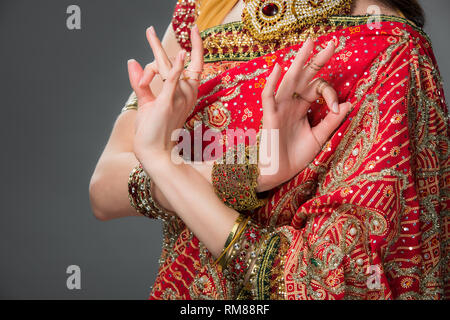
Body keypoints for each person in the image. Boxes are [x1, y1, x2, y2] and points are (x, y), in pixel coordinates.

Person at [89, 0, 449, 300]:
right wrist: (248, 172)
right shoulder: (204, 10)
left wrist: (166, 166)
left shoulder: (389, 47)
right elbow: (103, 187)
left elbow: (328, 285)